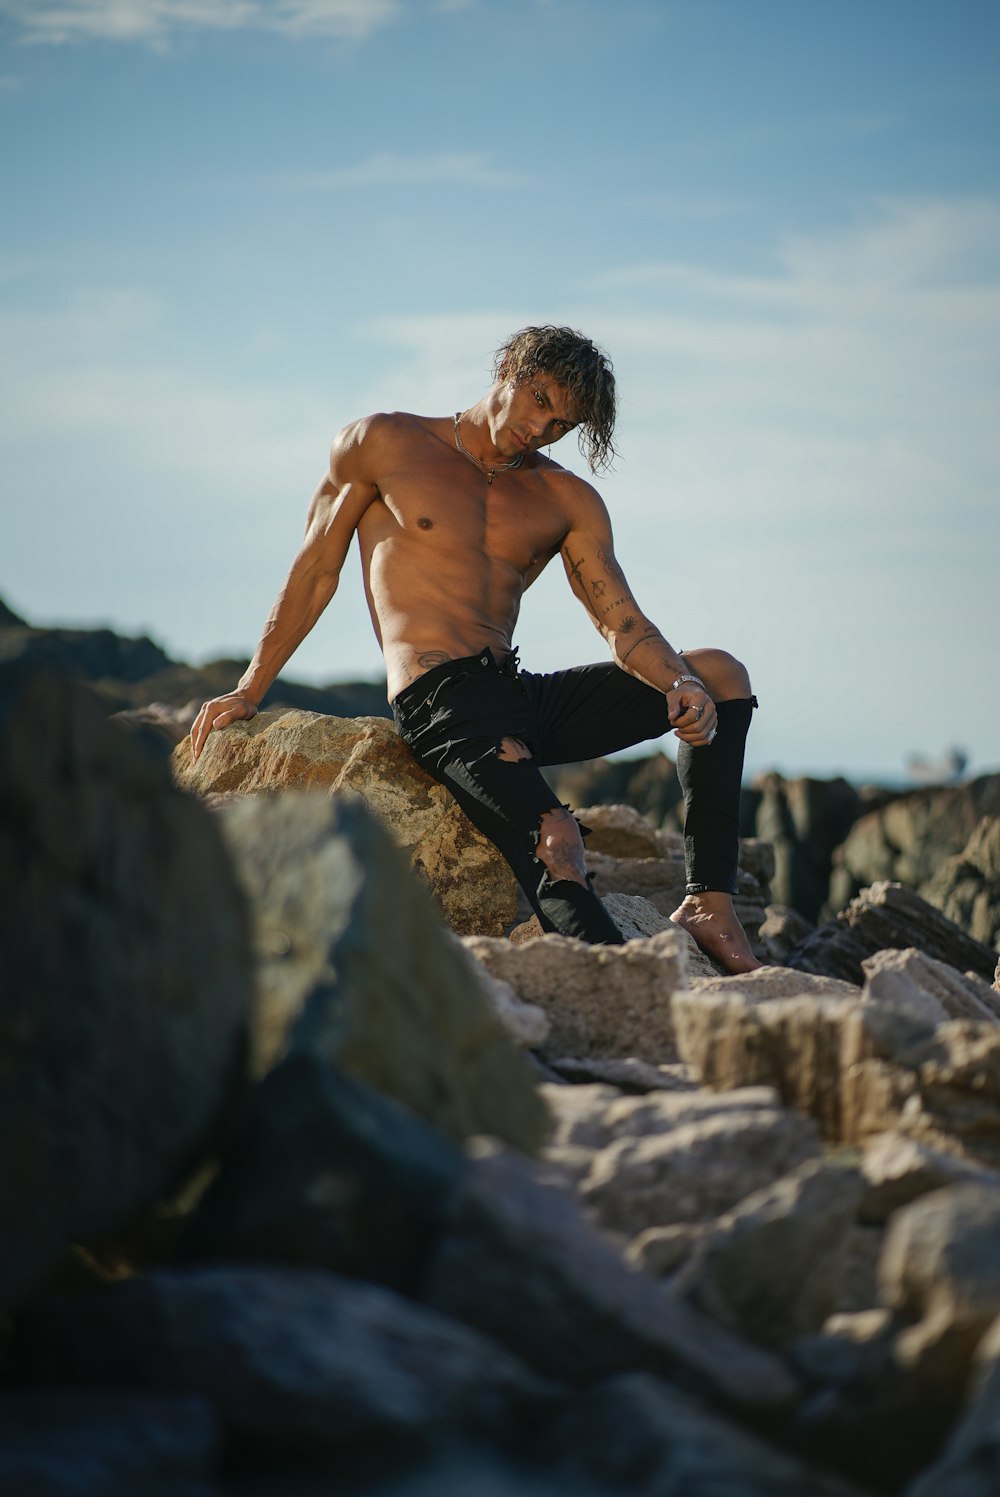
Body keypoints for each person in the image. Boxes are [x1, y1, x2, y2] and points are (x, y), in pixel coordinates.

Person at [191, 325, 761, 973]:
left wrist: (679, 682)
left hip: (512, 693)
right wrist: (251, 686)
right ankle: (633, 986)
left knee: (719, 674)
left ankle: (709, 904)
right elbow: (316, 568)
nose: (540, 427)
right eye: (538, 399)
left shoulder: (565, 498)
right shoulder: (384, 442)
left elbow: (620, 620)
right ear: (508, 367)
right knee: (556, 839)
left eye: (561, 423)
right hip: (441, 701)